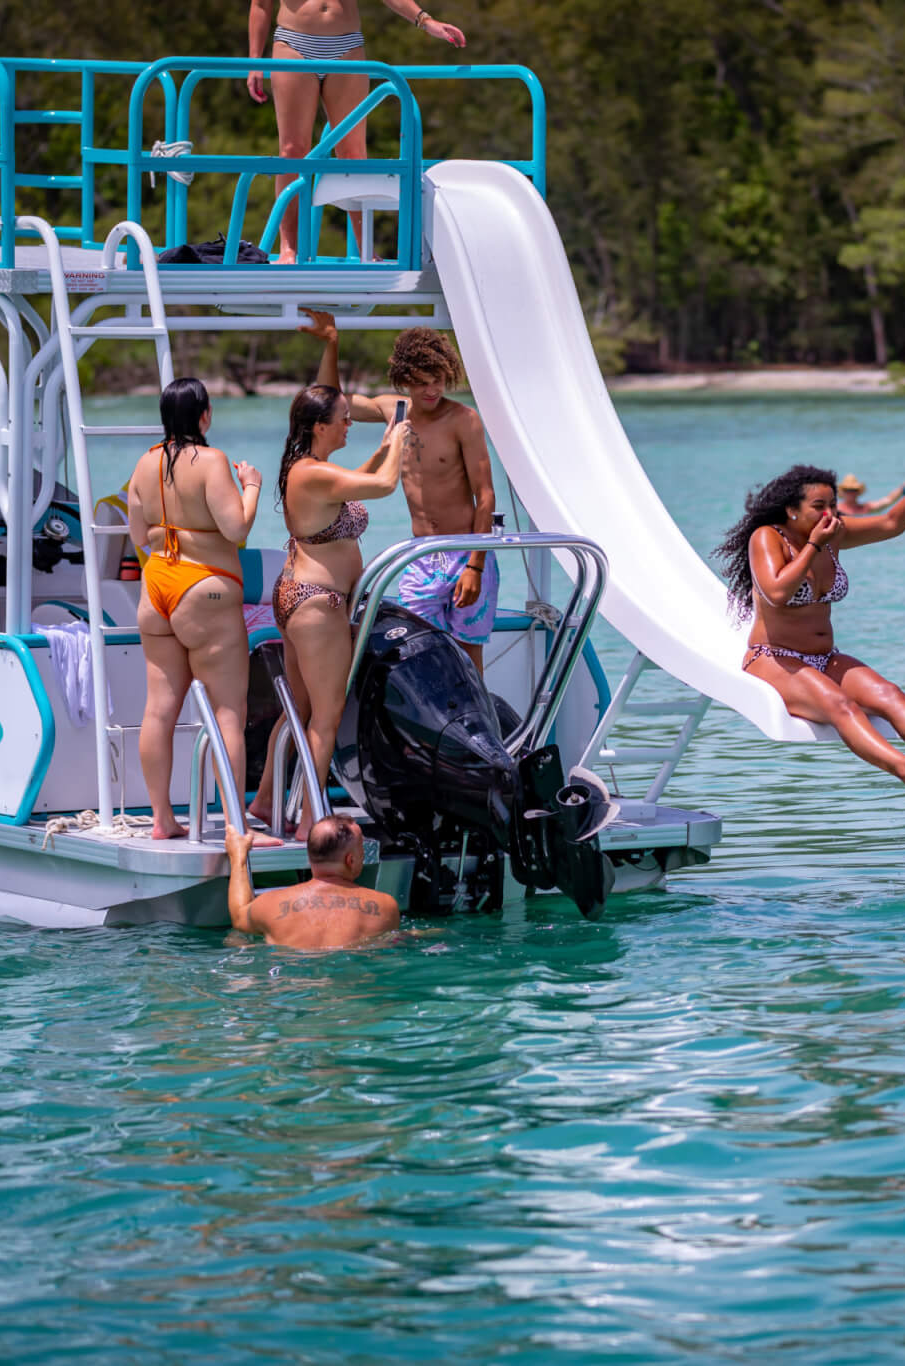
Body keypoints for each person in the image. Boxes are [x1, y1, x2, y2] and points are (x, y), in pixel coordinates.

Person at [713, 455, 905, 793]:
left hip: (825, 658)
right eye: (818, 506)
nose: (830, 514)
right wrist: (812, 546)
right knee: (840, 704)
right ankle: (903, 767)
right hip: (773, 658)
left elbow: (892, 523)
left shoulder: (834, 533)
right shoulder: (767, 537)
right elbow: (776, 592)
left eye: (833, 505)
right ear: (792, 510)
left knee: (888, 694)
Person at [247, 309, 403, 836]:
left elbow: (358, 476)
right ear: (319, 427)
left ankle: (265, 805)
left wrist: (332, 343)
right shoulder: (311, 474)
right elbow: (382, 487)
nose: (348, 423)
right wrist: (400, 432)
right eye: (342, 419)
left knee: (300, 713)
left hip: (299, 597)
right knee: (326, 719)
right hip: (317, 603)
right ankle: (313, 820)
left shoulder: (311, 470)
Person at [124, 379, 276, 843]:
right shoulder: (210, 462)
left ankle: (162, 818)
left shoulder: (145, 462)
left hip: (157, 589)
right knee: (228, 711)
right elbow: (236, 527)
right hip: (204, 587)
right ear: (205, 414)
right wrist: (251, 486)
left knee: (159, 710)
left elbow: (136, 534)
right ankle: (235, 824)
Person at [246, 0, 467, 264]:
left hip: (346, 45)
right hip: (293, 44)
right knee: (293, 151)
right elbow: (260, 5)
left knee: (353, 152)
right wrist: (254, 62)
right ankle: (288, 249)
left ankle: (366, 249)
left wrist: (425, 21)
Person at [379, 327, 498, 676]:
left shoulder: (464, 419)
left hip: (466, 551)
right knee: (414, 650)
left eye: (438, 380)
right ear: (404, 380)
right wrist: (332, 343)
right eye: (420, 382)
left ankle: (479, 724)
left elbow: (486, 493)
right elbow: (337, 398)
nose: (431, 390)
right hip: (422, 557)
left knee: (467, 657)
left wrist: (475, 565)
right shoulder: (396, 413)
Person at [225, 815, 401, 947]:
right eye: (361, 849)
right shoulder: (384, 907)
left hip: (293, 989)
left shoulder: (270, 905)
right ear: (350, 860)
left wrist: (238, 855)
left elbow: (239, 917)